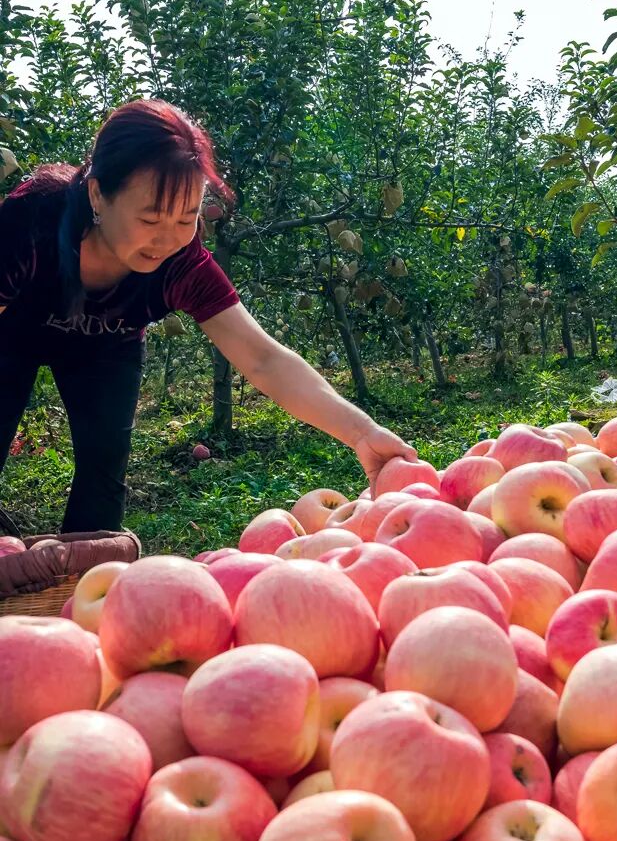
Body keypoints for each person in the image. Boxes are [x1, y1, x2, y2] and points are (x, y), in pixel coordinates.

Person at [0, 98, 417, 533]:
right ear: (97, 194)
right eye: (150, 218)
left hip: (105, 347)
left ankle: (78, 589)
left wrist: (362, 432)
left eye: (186, 219)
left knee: (103, 476)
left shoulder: (182, 264)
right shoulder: (33, 223)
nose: (167, 240)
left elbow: (264, 359)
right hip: (8, 336)